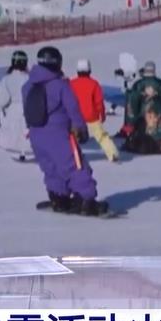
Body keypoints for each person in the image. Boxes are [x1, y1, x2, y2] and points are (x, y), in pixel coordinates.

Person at [23, 46, 106, 215]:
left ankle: (59, 198)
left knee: (51, 167)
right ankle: (86, 201)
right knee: (74, 166)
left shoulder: (28, 85)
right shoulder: (60, 85)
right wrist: (80, 128)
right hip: (58, 135)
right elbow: (73, 108)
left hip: (36, 135)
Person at [124, 61, 161, 154]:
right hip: (157, 116)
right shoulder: (159, 83)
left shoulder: (138, 84)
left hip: (142, 117)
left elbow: (133, 100)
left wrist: (132, 118)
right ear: (154, 70)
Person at [70, 59, 120, 162]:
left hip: (75, 116)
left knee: (72, 138)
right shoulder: (94, 84)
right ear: (89, 70)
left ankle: (72, 155)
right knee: (102, 136)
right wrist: (102, 114)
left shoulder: (71, 83)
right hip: (92, 116)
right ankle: (112, 154)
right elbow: (99, 101)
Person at [0, 51, 33, 162]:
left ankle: (18, 153)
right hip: (29, 109)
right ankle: (27, 152)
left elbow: (2, 100)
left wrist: (1, 105)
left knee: (13, 134)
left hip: (14, 110)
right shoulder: (30, 78)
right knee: (27, 133)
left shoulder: (7, 79)